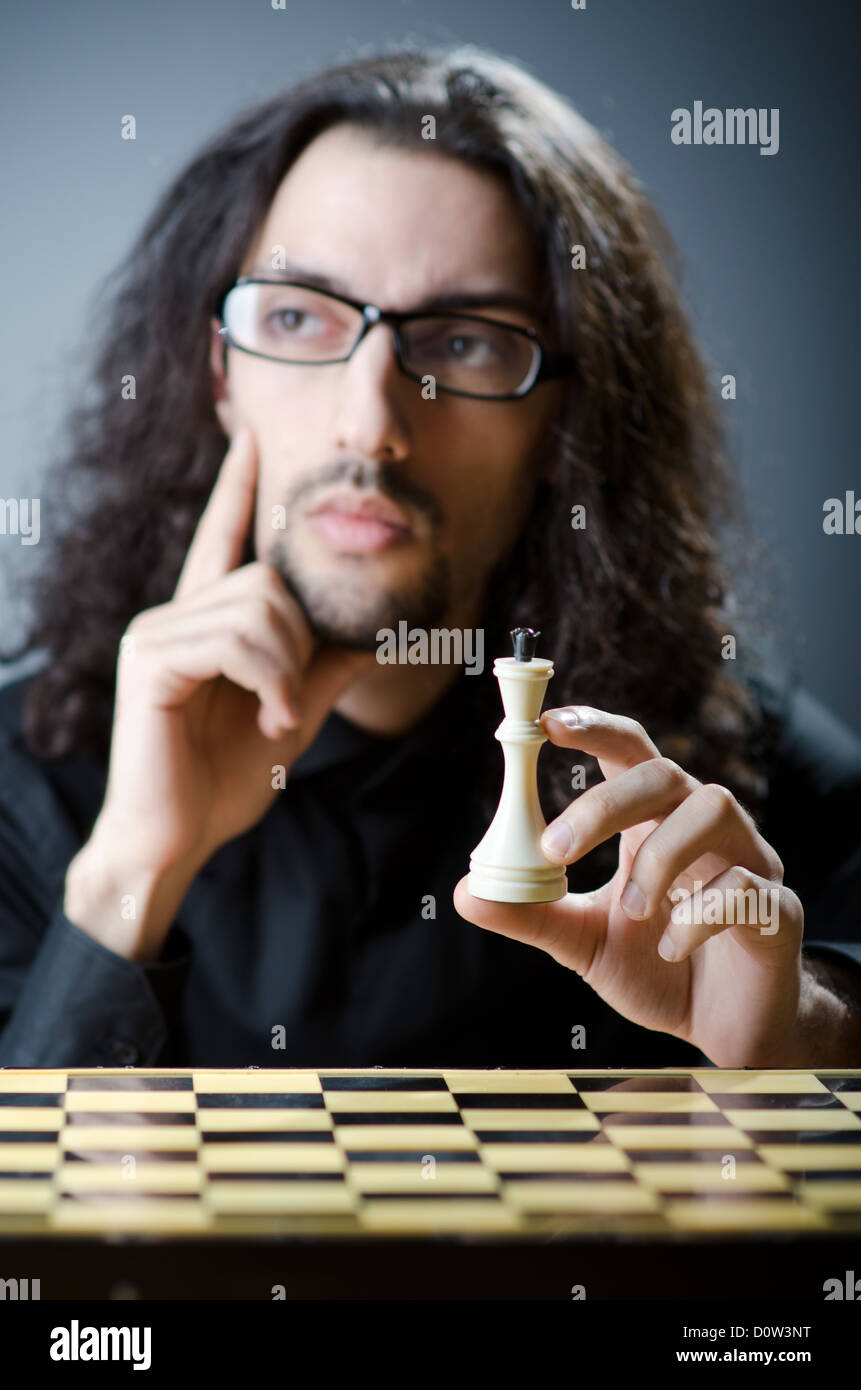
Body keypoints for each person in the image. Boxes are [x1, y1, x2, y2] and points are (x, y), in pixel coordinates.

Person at [1, 45, 859, 1070]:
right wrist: (124, 879)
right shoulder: (23, 779)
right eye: (296, 318)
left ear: (565, 422)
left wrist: (805, 1044)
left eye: (464, 342)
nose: (370, 426)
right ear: (221, 375)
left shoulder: (737, 783)